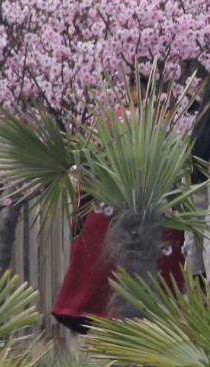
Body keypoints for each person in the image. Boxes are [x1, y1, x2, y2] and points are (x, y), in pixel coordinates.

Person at [51, 63, 188, 333]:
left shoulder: (112, 121)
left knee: (111, 294)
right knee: (164, 297)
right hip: (163, 221)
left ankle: (120, 350)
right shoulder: (175, 123)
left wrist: (79, 221)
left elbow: (88, 176)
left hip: (112, 219)